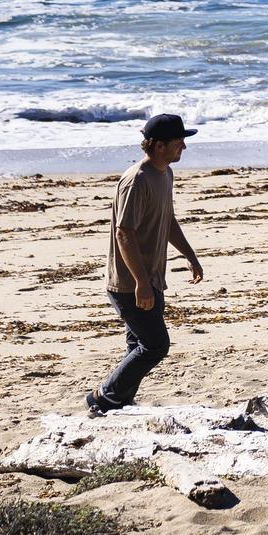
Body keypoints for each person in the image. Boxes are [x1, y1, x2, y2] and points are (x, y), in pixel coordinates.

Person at [87, 113, 205, 415]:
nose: (184, 148)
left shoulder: (164, 173)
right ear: (159, 145)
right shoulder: (136, 181)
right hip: (129, 283)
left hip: (150, 278)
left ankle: (119, 402)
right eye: (179, 143)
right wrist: (140, 282)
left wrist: (189, 255)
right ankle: (103, 396)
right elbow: (123, 233)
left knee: (137, 345)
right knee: (155, 345)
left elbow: (168, 220)